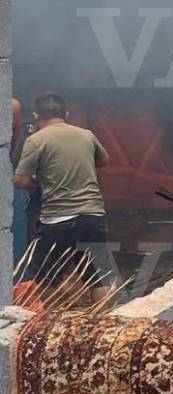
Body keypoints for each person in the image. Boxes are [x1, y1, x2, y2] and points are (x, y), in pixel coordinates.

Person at [13, 93, 117, 306]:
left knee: (47, 278)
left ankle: (49, 324)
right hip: (92, 216)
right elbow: (104, 160)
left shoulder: (36, 140)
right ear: (66, 114)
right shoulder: (86, 135)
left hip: (57, 220)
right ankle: (104, 320)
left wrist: (39, 180)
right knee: (97, 277)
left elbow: (20, 180)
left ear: (36, 116)